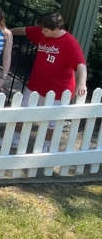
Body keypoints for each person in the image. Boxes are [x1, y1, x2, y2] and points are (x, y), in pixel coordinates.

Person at [11, 12, 87, 147]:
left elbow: (81, 64)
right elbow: (24, 30)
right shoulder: (44, 31)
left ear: (56, 29)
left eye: (45, 30)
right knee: (23, 111)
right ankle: (14, 140)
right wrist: (5, 32)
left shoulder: (70, 42)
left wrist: (82, 84)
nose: (41, 32)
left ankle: (45, 146)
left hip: (58, 90)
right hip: (36, 83)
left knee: (50, 121)